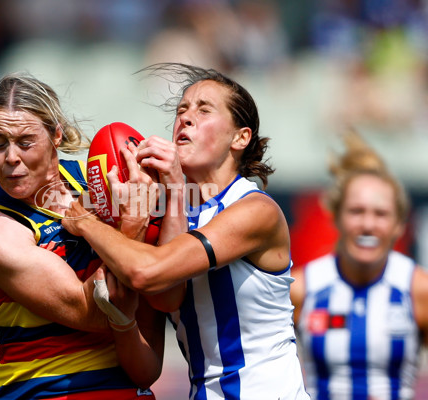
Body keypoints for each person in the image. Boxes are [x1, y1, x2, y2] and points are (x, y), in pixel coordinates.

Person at [62, 63, 310, 400]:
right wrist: (122, 318)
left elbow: (149, 272)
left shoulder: (256, 211)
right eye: (182, 110)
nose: (185, 118)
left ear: (241, 137)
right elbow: (162, 311)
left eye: (203, 109)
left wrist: (85, 222)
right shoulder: (168, 213)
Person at [0, 72, 165, 399]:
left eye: (25, 142)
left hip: (130, 387)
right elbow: (96, 312)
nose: (10, 157)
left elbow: (160, 281)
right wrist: (132, 227)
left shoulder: (93, 177)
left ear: (56, 135)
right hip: (43, 392)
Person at [290, 130, 428, 399]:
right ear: (336, 217)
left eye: (381, 214)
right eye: (356, 211)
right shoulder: (301, 288)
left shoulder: (418, 288)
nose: (367, 224)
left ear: (400, 225)